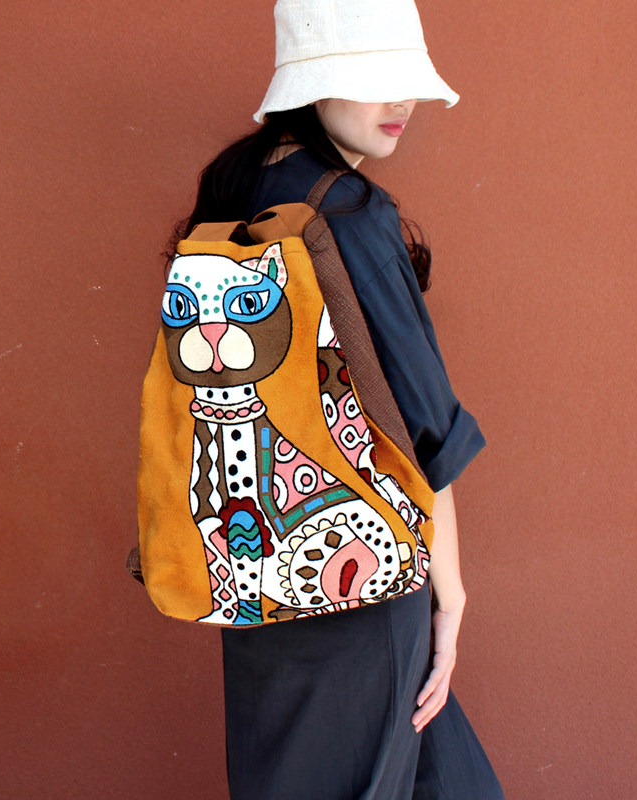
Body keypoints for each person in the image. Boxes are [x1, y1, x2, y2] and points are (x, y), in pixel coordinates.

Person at [173, 1, 504, 797]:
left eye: (408, 78)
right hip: (365, 575)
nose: (403, 100)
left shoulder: (236, 187)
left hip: (260, 561)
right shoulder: (351, 213)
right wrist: (452, 597)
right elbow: (427, 430)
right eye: (375, 76)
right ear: (312, 83)